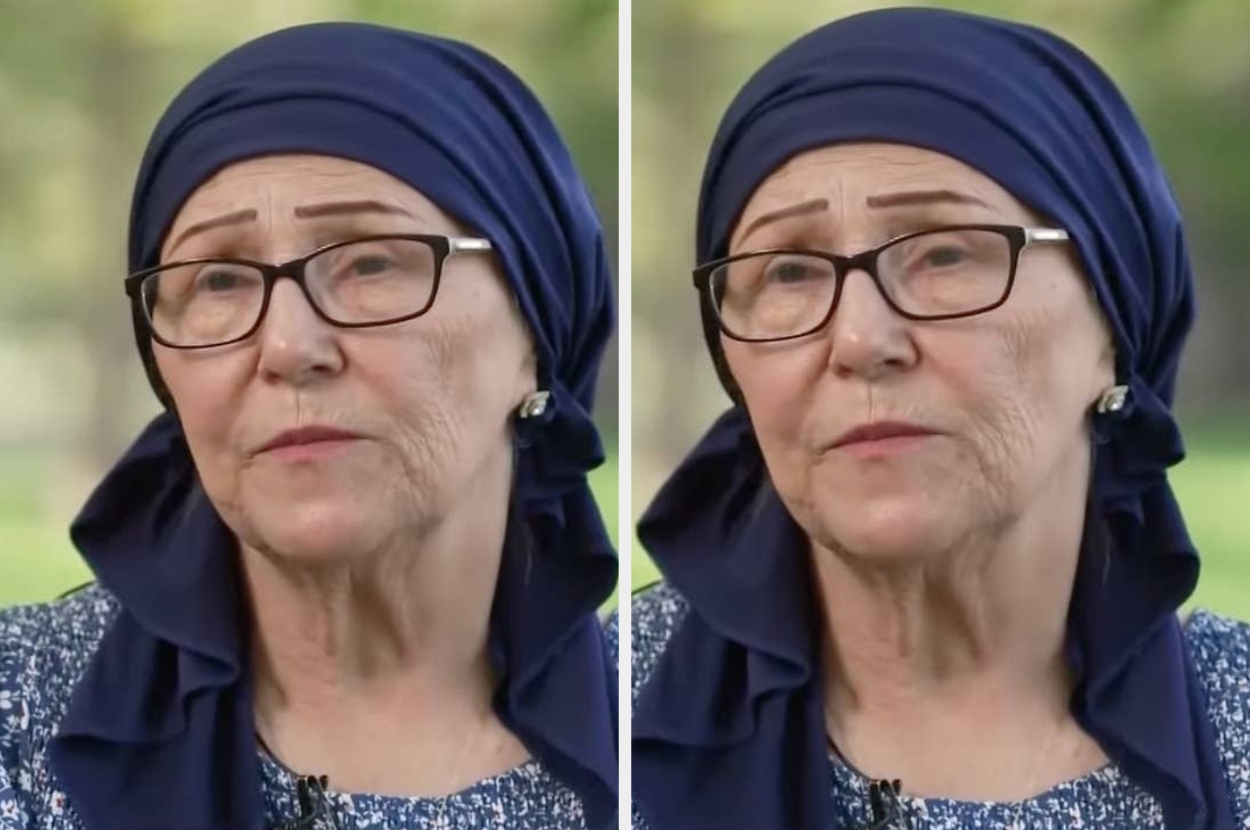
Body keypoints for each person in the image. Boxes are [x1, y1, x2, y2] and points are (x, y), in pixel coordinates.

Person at [631, 8, 1250, 830]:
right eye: (787, 271)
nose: (858, 338)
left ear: (1114, 324)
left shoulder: (1235, 717)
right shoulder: (590, 719)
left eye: (946, 252)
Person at [0, 22, 617, 830]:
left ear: (536, 332)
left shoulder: (693, 744)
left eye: (370, 262)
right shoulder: (22, 721)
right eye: (218, 279)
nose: (288, 345)